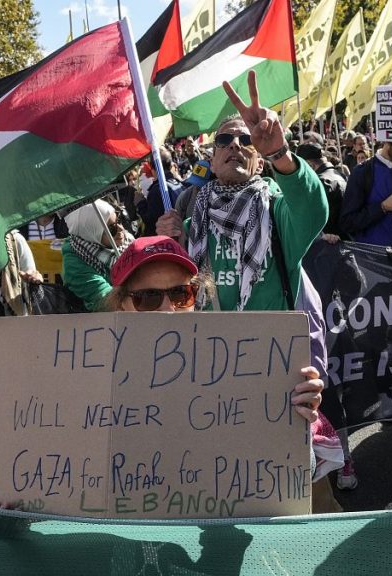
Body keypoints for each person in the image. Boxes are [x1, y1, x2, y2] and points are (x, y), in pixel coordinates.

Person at [103, 235, 340, 511]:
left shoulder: (240, 364)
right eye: (148, 298)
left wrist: (296, 425)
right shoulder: (93, 374)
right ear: (122, 304)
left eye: (180, 294)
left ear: (195, 296)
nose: (168, 310)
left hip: (230, 530)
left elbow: (300, 474)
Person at [156, 71, 328, 313]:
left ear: (259, 163)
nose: (235, 144)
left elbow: (313, 210)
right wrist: (169, 245)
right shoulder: (190, 227)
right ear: (212, 162)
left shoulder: (278, 216)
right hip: (207, 345)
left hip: (272, 347)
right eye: (224, 139)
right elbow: (171, 295)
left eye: (246, 139)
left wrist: (280, 152)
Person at [339, 140, 392, 247]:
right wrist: (382, 207)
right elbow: (347, 222)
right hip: (369, 256)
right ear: (387, 143)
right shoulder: (362, 172)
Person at [61, 199, 132, 311]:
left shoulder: (129, 242)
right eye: (112, 228)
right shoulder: (74, 264)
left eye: (119, 220)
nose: (121, 229)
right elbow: (107, 301)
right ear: (91, 232)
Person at [296, 143, 347, 243]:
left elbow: (309, 220)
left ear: (310, 165)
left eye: (300, 168)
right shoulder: (341, 175)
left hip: (327, 245)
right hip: (341, 243)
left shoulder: (319, 182)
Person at [138, 147, 183, 237]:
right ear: (171, 166)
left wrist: (140, 203)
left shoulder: (158, 190)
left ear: (153, 169)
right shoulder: (179, 184)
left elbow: (150, 221)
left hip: (167, 240)